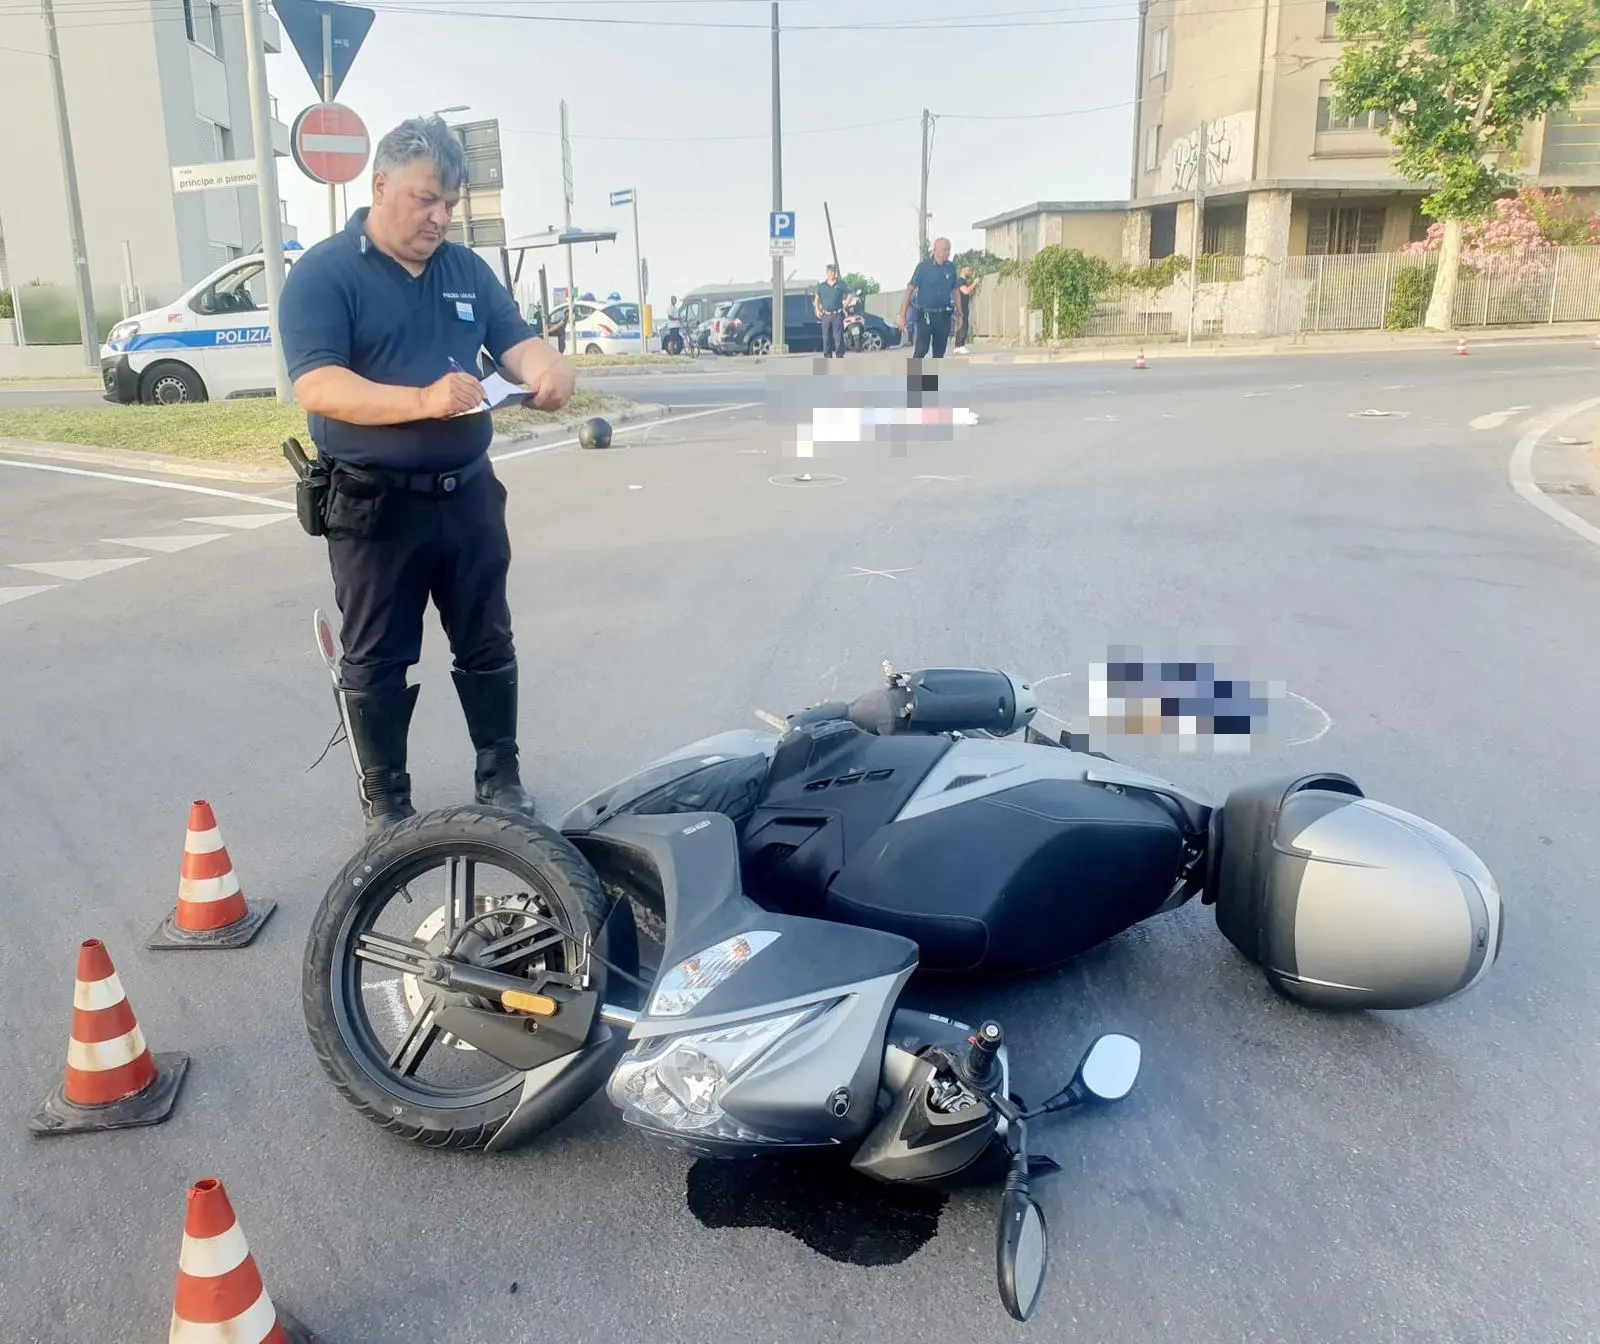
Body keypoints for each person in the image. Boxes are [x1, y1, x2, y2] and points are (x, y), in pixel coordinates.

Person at [278, 115, 577, 835]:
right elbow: (318, 385)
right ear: (379, 186)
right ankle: (388, 801)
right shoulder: (324, 273)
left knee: (487, 638)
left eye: (450, 202)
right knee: (377, 654)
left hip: (467, 496)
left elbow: (517, 342)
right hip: (374, 505)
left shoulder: (465, 270)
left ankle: (499, 775)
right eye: (424, 200)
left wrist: (548, 369)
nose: (440, 216)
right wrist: (422, 401)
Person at [900, 237, 959, 359]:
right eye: (944, 250)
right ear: (935, 250)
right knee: (921, 349)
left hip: (944, 315)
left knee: (939, 352)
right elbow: (910, 290)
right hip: (925, 315)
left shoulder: (951, 268)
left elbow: (955, 291)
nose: (947, 253)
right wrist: (903, 315)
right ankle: (915, 377)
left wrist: (960, 314)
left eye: (948, 250)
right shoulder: (923, 267)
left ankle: (932, 378)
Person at [814, 264, 849, 359]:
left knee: (838, 337)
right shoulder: (822, 286)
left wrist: (844, 306)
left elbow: (850, 294)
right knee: (826, 338)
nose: (833, 273)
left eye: (834, 271)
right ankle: (827, 356)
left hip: (837, 314)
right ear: (827, 273)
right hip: (826, 315)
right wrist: (817, 309)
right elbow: (817, 298)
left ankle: (839, 356)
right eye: (831, 272)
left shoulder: (840, 284)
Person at [953, 265, 978, 353]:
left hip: (962, 307)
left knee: (962, 325)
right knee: (963, 325)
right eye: (969, 270)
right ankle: (960, 345)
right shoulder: (961, 281)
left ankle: (958, 346)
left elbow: (967, 292)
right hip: (961, 307)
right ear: (963, 271)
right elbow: (966, 291)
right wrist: (974, 283)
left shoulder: (963, 281)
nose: (970, 272)